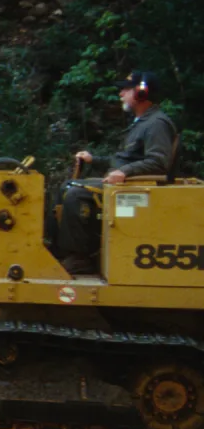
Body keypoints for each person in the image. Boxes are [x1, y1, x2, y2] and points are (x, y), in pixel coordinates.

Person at [58, 70, 179, 275]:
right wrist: (94, 159)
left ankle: (80, 258)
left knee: (75, 194)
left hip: (138, 188)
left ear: (141, 93)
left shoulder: (156, 124)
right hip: (127, 182)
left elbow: (158, 162)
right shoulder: (142, 123)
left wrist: (125, 172)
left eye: (125, 89)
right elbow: (126, 158)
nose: (121, 94)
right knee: (66, 187)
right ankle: (67, 251)